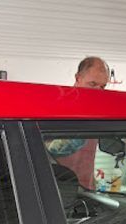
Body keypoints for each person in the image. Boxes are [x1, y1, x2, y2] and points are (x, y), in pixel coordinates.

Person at [46, 57, 110, 189]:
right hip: (58, 190)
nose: (98, 91)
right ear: (78, 78)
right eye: (92, 84)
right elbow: (49, 149)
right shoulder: (57, 106)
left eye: (102, 86)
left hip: (86, 190)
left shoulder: (97, 111)